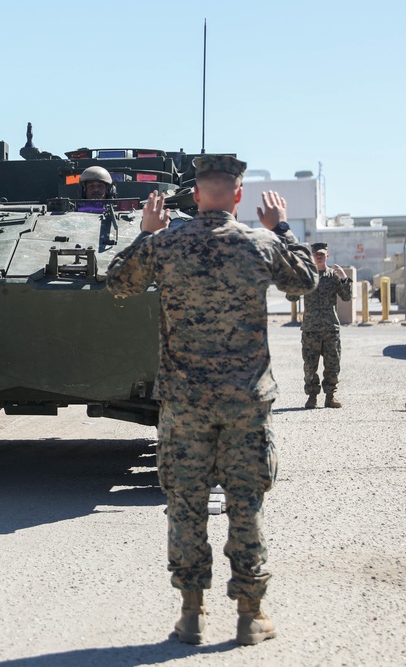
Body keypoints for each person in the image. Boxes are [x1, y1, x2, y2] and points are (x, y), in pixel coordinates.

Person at [106, 155, 318, 645]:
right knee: (246, 504)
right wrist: (282, 227)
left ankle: (191, 614)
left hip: (185, 403)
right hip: (247, 401)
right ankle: (251, 615)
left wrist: (146, 230)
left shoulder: (164, 243)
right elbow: (305, 281)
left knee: (186, 505)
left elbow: (118, 281)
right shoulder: (261, 242)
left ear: (195, 195)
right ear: (240, 195)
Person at [286, 242, 352, 408]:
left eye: (322, 254)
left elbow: (346, 297)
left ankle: (330, 396)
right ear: (312, 256)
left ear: (327, 256)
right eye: (316, 254)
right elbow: (291, 298)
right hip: (311, 330)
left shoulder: (334, 277)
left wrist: (344, 279)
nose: (319, 256)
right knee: (310, 365)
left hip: (331, 328)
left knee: (332, 365)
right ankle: (312, 397)